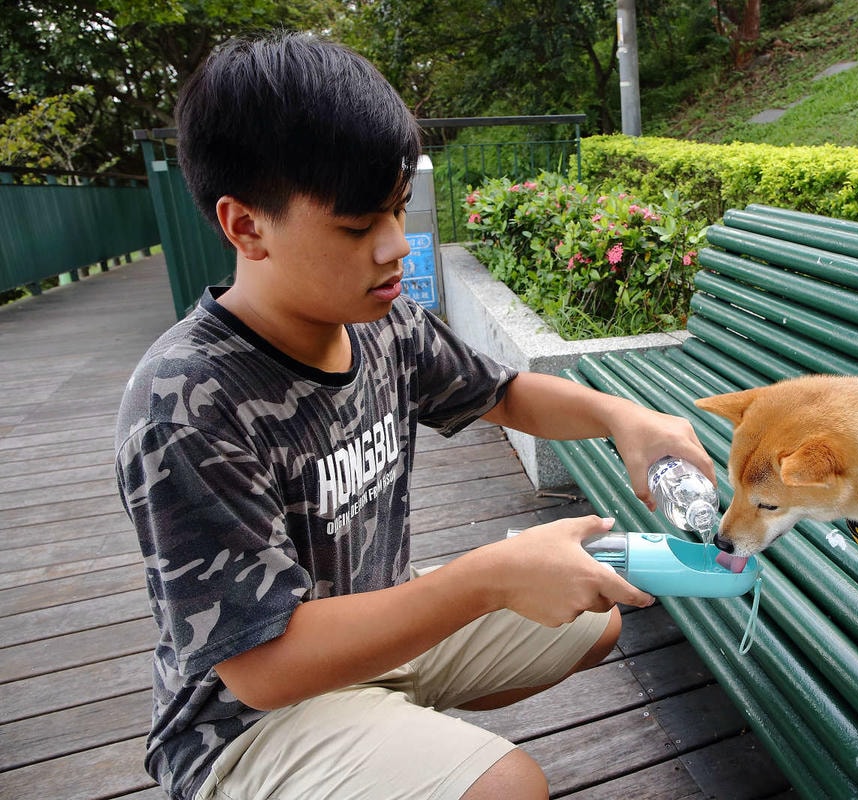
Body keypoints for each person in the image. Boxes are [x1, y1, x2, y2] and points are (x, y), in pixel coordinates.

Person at [114, 30, 715, 800]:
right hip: (245, 722)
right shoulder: (185, 404)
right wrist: (488, 579)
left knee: (591, 616)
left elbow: (502, 393)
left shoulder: (378, 319)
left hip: (368, 624)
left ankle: (389, 730)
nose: (397, 247)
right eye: (358, 227)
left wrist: (625, 417)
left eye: (398, 211)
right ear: (245, 226)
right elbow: (262, 668)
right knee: (508, 789)